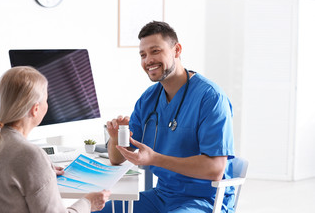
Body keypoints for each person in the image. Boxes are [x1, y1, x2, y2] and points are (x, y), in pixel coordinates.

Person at [98, 21, 235, 213]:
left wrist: (155, 159)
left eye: (155, 51)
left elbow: (215, 169)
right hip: (162, 196)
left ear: (177, 50)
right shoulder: (148, 99)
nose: (148, 60)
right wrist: (115, 139)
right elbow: (117, 160)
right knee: (94, 209)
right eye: (143, 55)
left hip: (204, 201)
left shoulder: (210, 97)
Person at [0, 66, 110, 213]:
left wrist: (44, 171)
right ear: (35, 109)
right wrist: (88, 203)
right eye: (46, 99)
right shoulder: (29, 155)